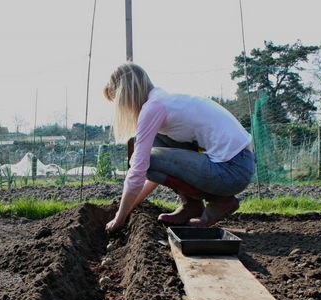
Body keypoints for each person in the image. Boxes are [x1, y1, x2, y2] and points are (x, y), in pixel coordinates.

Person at [103, 62, 255, 233]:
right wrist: (129, 207)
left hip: (231, 170)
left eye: (118, 101)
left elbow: (140, 169)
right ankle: (191, 206)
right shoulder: (164, 102)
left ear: (126, 94)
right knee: (157, 143)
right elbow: (157, 173)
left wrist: (120, 217)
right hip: (241, 163)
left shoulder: (153, 108)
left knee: (143, 160)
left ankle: (220, 201)